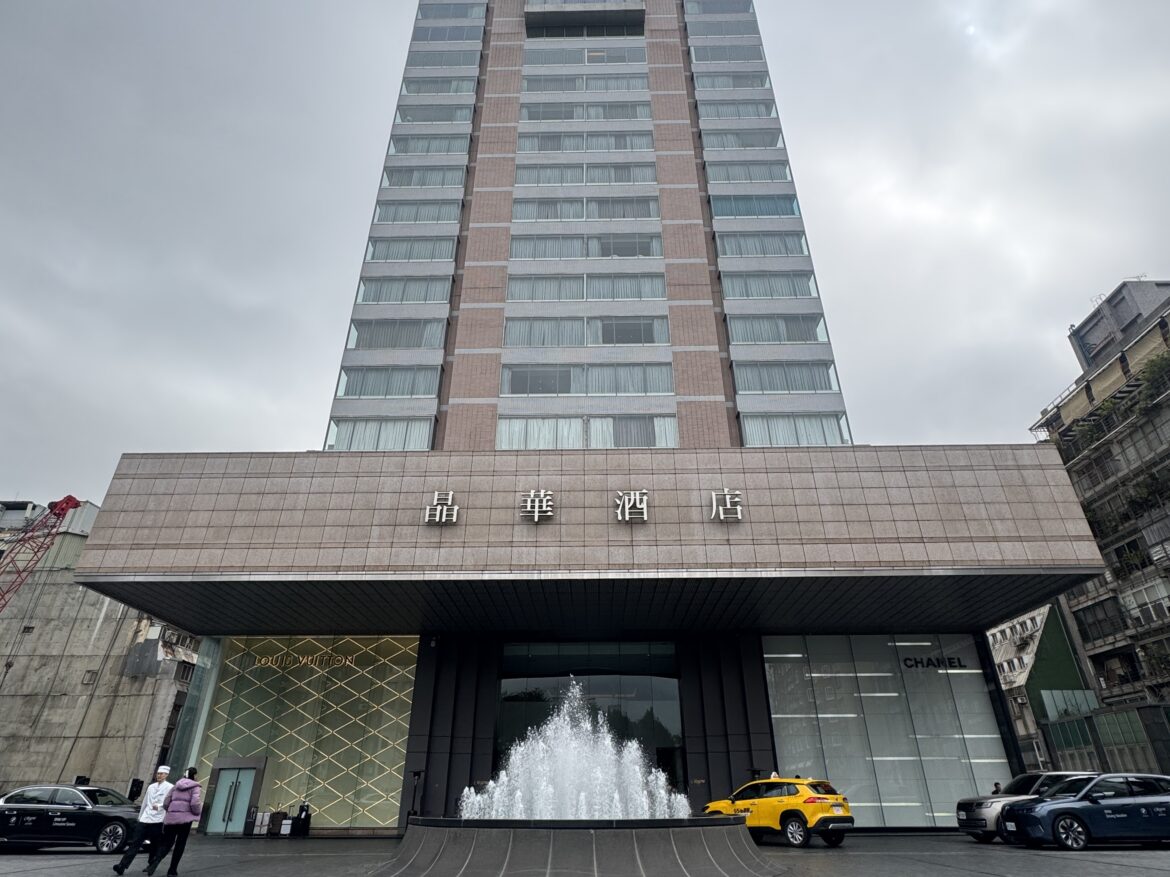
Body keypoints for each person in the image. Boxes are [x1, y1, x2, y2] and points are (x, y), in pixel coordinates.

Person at [113, 766, 172, 875]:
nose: (159, 775)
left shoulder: (170, 787)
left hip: (158, 820)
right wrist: (140, 817)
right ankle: (122, 866)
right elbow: (145, 802)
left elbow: (168, 803)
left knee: (154, 844)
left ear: (166, 775)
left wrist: (159, 807)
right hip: (145, 818)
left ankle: (151, 864)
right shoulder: (151, 787)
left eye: (162, 774)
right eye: (158, 773)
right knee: (135, 843)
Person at [146, 767, 203, 877]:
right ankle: (172, 870)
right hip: (185, 821)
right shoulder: (195, 787)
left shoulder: (176, 786)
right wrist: (197, 813)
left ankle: (154, 863)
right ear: (194, 775)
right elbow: (195, 803)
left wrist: (171, 811)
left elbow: (166, 801)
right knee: (180, 844)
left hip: (171, 819)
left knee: (166, 843)